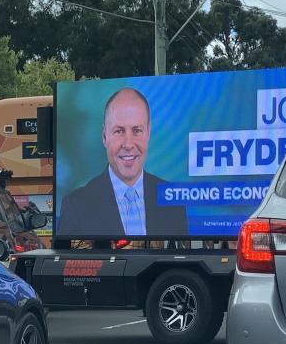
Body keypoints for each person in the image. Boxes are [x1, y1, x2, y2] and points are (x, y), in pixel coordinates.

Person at [58, 86, 188, 238]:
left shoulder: (172, 200)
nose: (128, 144)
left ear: (148, 133)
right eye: (119, 131)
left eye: (137, 131)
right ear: (104, 136)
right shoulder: (76, 206)